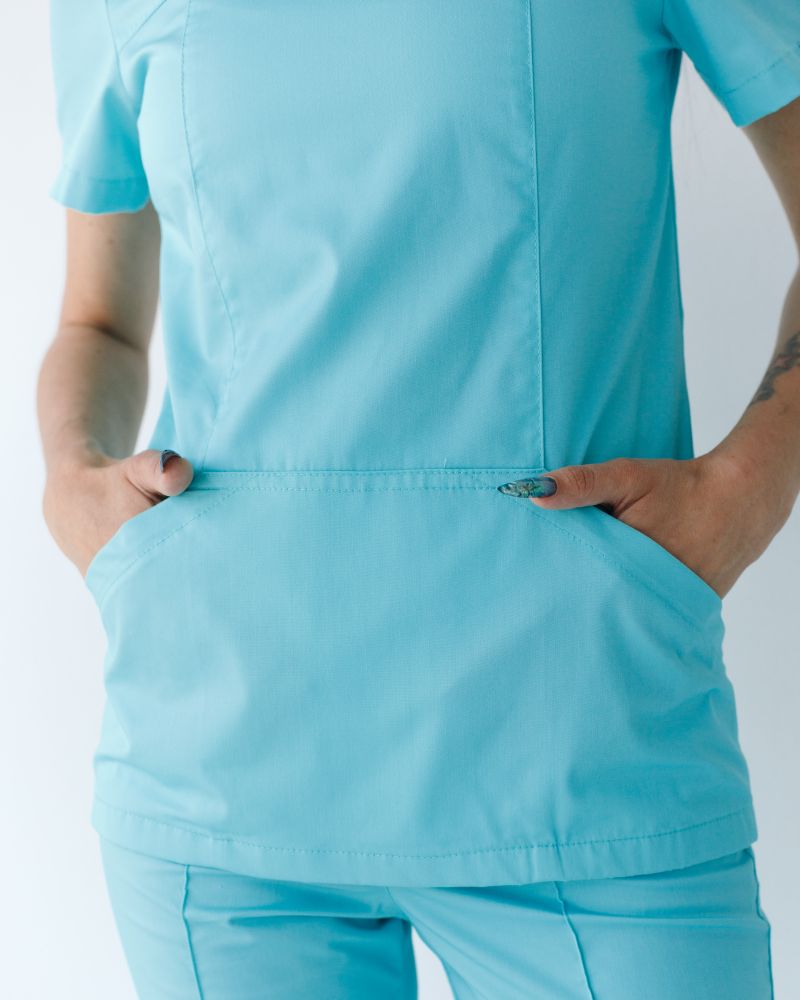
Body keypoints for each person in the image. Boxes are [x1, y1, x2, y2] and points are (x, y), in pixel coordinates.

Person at [38, 0, 800, 996]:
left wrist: (749, 486)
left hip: (583, 730)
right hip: (218, 768)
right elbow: (98, 321)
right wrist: (73, 480)